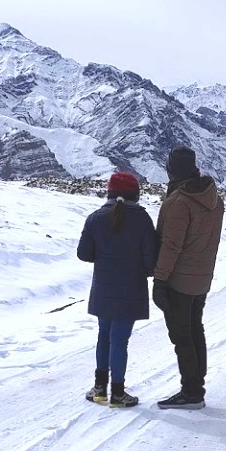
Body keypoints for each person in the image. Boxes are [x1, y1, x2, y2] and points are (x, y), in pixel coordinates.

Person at [77, 172, 157, 407]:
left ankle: (99, 389)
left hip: (103, 288)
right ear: (135, 194)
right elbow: (150, 261)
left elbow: (84, 254)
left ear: (110, 192)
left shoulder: (95, 218)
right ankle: (119, 393)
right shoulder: (142, 220)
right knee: (120, 340)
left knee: (104, 336)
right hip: (131, 289)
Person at [152, 146, 224, 409]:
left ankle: (191, 392)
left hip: (179, 280)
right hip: (202, 277)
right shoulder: (214, 197)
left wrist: (159, 280)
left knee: (182, 335)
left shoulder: (179, 202)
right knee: (195, 330)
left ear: (172, 169)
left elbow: (171, 245)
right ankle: (197, 386)